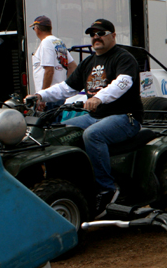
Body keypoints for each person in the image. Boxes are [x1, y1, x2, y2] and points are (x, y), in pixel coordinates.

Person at [29, 18, 143, 219]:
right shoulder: (89, 62)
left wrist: (99, 97)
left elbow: (122, 83)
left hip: (126, 117)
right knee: (58, 132)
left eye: (101, 33)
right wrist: (40, 95)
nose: (96, 37)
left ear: (113, 35)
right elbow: (66, 87)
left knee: (93, 135)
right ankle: (71, 185)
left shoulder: (124, 58)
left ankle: (107, 189)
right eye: (92, 34)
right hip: (95, 117)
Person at [30, 15, 77, 103]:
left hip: (50, 98)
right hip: (59, 94)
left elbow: (49, 71)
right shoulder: (58, 42)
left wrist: (43, 97)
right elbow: (72, 66)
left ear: (37, 29)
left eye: (34, 28)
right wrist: (66, 86)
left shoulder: (46, 42)